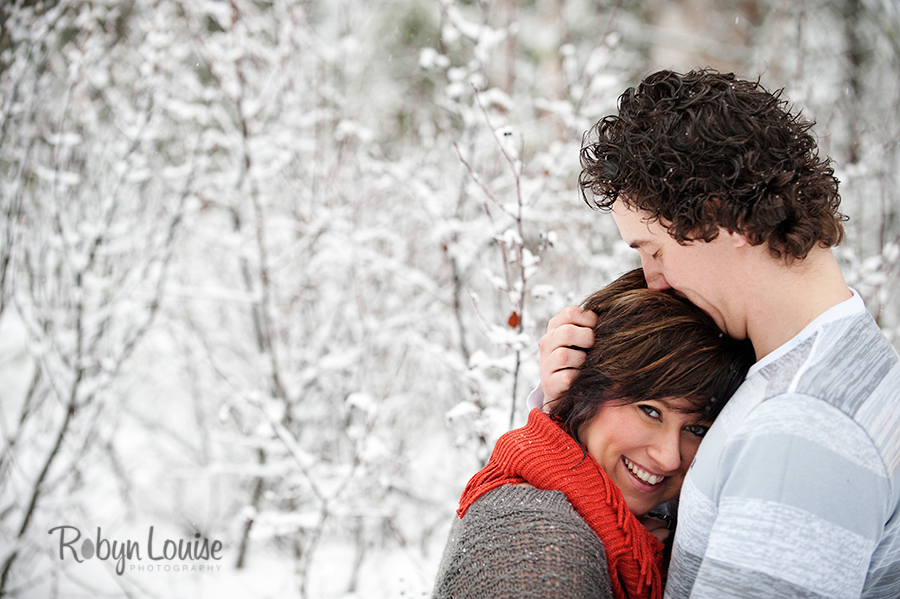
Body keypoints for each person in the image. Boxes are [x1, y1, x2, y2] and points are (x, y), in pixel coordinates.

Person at [536, 69, 900, 599]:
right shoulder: (825, 363)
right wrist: (568, 403)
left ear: (719, 218)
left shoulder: (801, 429)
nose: (654, 280)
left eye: (654, 250)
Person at [433, 268, 754, 599]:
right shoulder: (538, 541)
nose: (670, 457)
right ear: (585, 388)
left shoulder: (642, 537)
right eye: (650, 411)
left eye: (697, 429)